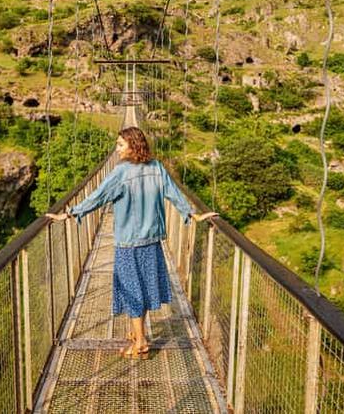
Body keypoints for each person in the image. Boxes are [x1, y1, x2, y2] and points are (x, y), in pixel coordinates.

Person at [46, 127, 217, 359]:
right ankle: (137, 335)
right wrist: (192, 214)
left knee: (131, 291)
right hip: (152, 240)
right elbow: (174, 193)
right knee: (143, 288)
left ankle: (141, 343)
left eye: (120, 145)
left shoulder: (121, 172)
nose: (116, 150)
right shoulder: (157, 168)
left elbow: (98, 196)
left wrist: (71, 213)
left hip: (128, 243)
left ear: (132, 146)